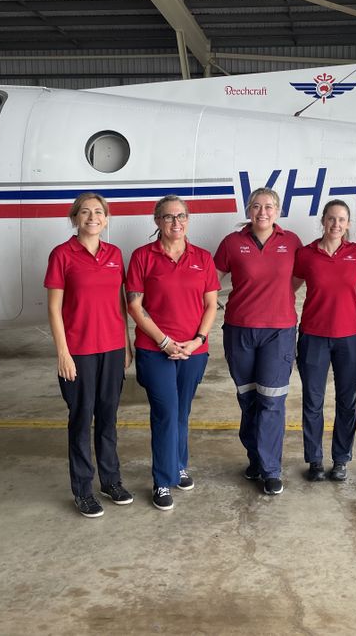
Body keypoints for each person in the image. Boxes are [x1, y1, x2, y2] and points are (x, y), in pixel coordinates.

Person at [126, 196, 220, 511]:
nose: (175, 223)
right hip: (155, 350)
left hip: (194, 350)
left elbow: (210, 305)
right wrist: (164, 341)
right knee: (166, 412)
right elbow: (135, 306)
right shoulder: (142, 257)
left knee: (181, 412)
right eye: (168, 217)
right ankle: (162, 480)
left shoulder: (203, 258)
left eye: (181, 216)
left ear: (188, 220)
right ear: (157, 221)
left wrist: (197, 340)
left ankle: (179, 465)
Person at [45, 192, 133, 518]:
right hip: (79, 352)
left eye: (98, 212)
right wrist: (63, 353)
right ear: (75, 218)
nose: (92, 217)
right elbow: (54, 309)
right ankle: (83, 490)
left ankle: (111, 481)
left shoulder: (115, 254)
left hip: (112, 349)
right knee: (81, 420)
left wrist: (126, 343)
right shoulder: (62, 255)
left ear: (106, 219)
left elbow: (120, 303)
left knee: (108, 419)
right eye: (85, 212)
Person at [214, 187, 302, 496]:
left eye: (269, 207)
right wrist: (215, 304)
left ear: (277, 211)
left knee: (272, 400)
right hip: (240, 330)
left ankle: (270, 469)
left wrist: (280, 297)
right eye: (256, 206)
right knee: (248, 398)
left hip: (278, 332)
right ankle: (255, 458)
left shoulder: (290, 242)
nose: (262, 212)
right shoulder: (232, 243)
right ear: (249, 210)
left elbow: (299, 276)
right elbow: (211, 279)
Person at [292, 199, 356, 483]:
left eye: (342, 219)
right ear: (323, 221)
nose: (336, 224)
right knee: (313, 400)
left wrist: (342, 299)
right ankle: (315, 460)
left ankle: (341, 459)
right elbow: (290, 287)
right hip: (313, 335)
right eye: (331, 218)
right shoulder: (307, 254)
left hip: (349, 337)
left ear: (348, 224)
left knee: (347, 400)